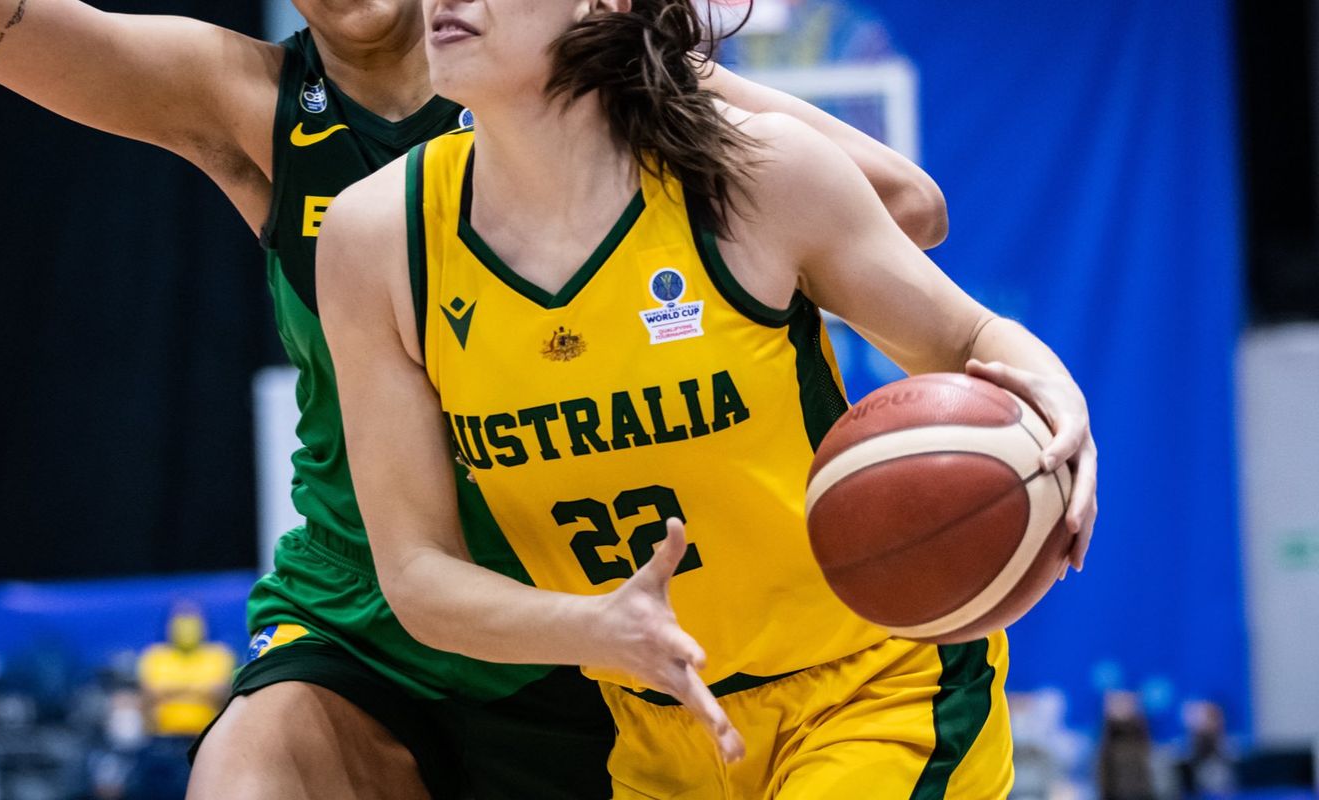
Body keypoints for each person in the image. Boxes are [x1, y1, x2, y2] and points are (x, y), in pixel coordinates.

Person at [0, 0, 951, 793]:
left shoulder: (554, 76)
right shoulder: (252, 99)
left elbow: (901, 202)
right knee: (244, 778)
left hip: (596, 635)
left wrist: (653, 83)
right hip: (372, 616)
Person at [316, 0, 1098, 794]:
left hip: (874, 692)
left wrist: (1059, 403)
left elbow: (967, 337)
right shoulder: (377, 237)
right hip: (659, 731)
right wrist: (594, 628)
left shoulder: (748, 172)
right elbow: (417, 573)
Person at [135, 603, 234, 739]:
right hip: (163, 736)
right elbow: (150, 694)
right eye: (180, 621)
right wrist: (200, 689)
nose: (186, 627)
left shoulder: (219, 655)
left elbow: (219, 693)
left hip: (207, 735)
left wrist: (171, 690)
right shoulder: (155, 656)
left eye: (192, 621)